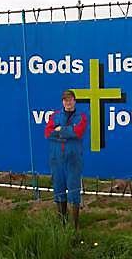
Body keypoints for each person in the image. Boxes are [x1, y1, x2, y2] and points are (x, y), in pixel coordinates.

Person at [44, 89, 88, 229]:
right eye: (65, 100)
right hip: (56, 159)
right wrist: (67, 131)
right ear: (62, 102)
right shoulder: (55, 116)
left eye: (70, 100)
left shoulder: (81, 116)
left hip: (73, 159)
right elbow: (47, 133)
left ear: (74, 101)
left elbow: (78, 132)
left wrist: (60, 130)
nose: (68, 102)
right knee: (59, 189)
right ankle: (62, 223)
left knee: (74, 190)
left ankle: (75, 226)